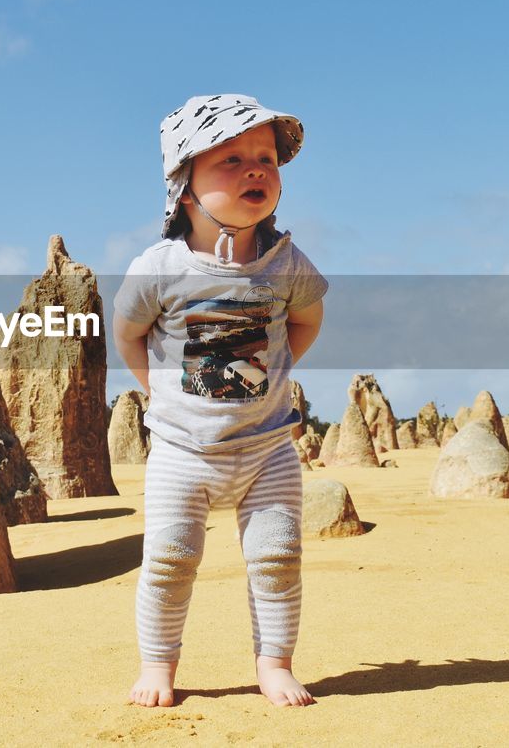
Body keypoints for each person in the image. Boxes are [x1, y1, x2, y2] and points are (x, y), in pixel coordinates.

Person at [113, 94, 328, 708]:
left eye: (266, 158)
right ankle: (158, 666)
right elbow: (127, 331)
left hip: (267, 448)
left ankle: (275, 664)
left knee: (278, 558)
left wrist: (280, 370)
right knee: (170, 562)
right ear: (185, 189)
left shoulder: (286, 263)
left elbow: (308, 320)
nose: (255, 169)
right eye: (230, 160)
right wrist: (152, 389)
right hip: (183, 450)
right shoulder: (160, 267)